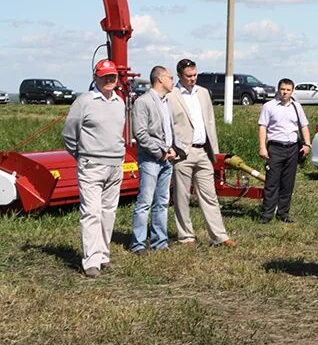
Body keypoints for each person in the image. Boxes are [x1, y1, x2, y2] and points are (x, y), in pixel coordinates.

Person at [63, 59, 125, 278]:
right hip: (91, 164)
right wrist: (81, 155)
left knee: (108, 212)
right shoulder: (84, 102)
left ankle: (103, 256)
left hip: (115, 165)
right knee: (91, 212)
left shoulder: (119, 102)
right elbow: (70, 134)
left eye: (113, 76)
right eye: (104, 76)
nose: (109, 80)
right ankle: (91, 261)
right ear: (95, 77)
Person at [168, 59, 235, 246]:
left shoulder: (203, 93)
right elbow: (168, 124)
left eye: (195, 75)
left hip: (203, 151)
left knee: (210, 195)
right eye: (188, 76)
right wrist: (174, 148)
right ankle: (186, 236)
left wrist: (215, 150)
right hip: (183, 153)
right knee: (182, 196)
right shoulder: (171, 95)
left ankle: (219, 236)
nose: (193, 79)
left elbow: (210, 123)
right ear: (180, 75)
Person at [130, 66, 176, 254]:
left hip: (167, 159)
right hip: (151, 159)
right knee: (145, 202)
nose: (173, 81)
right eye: (171, 78)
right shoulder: (143, 102)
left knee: (162, 201)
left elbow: (169, 130)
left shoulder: (166, 102)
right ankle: (138, 244)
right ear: (160, 79)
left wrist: (173, 149)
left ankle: (160, 242)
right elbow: (140, 133)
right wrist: (160, 151)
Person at [257, 78, 311, 224]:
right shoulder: (269, 106)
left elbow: (304, 126)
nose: (285, 92)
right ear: (278, 89)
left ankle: (283, 213)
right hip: (275, 148)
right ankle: (267, 215)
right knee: (271, 183)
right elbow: (263, 127)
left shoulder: (297, 107)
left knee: (288, 183)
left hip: (292, 148)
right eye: (282, 89)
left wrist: (307, 144)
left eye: (288, 90)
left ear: (292, 91)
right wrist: (262, 147)